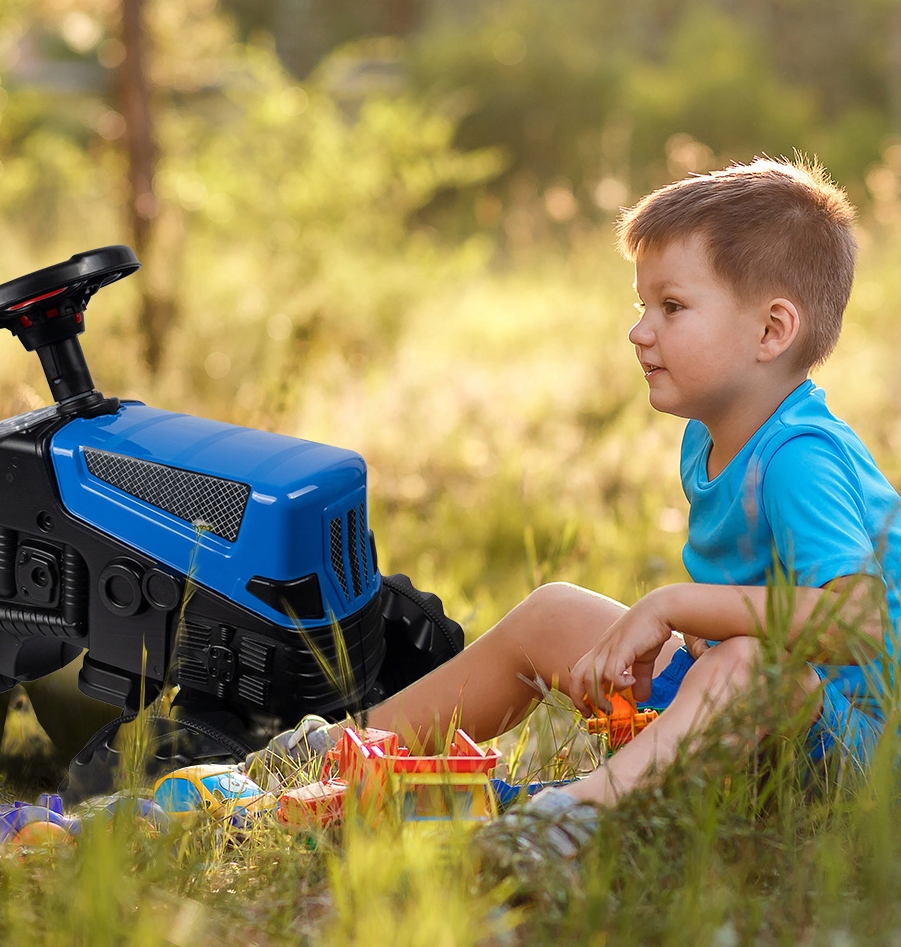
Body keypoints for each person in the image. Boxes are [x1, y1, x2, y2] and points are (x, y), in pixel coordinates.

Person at [262, 159, 899, 855]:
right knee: (557, 611)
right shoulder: (708, 440)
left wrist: (676, 607)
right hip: (731, 722)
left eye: (672, 307)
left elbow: (857, 621)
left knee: (747, 663)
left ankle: (569, 819)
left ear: (772, 331)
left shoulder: (802, 457)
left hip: (847, 758)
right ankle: (342, 753)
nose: (640, 331)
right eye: (641, 306)